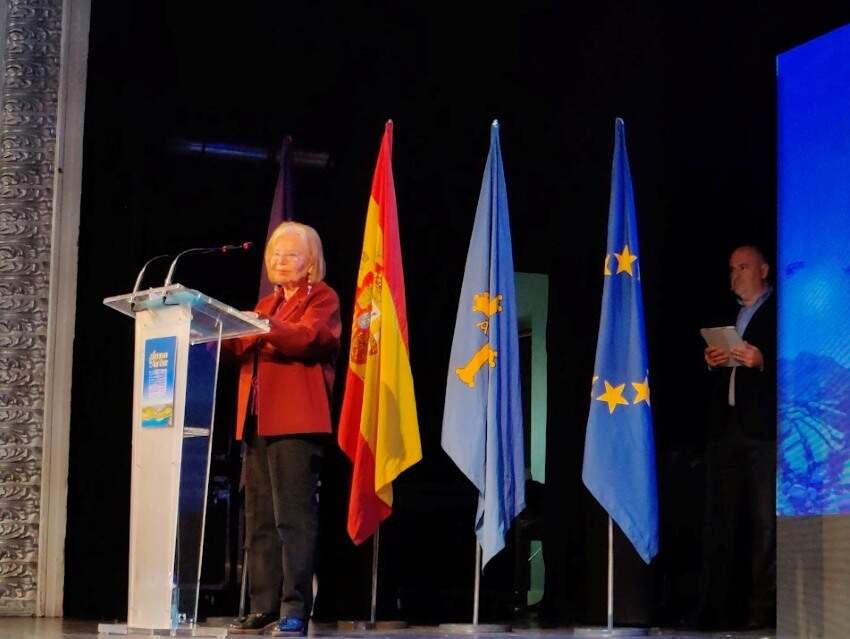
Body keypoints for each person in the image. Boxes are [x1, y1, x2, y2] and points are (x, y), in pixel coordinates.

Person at [226, 221, 341, 636]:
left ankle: (295, 607)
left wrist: (262, 326)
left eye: (290, 254)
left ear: (310, 262)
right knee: (258, 518)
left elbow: (309, 338)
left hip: (295, 421)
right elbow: (239, 347)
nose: (280, 260)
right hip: (257, 419)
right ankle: (263, 606)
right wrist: (219, 326)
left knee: (292, 518)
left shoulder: (322, 298)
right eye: (275, 254)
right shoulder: (266, 303)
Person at [698, 244, 776, 630]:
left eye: (744, 267)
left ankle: (762, 610)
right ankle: (720, 609)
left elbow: (796, 359)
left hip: (763, 430)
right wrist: (712, 361)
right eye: (732, 269)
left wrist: (762, 361)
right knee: (723, 520)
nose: (736, 275)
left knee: (764, 522)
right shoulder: (731, 315)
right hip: (727, 428)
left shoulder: (780, 312)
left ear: (764, 270)